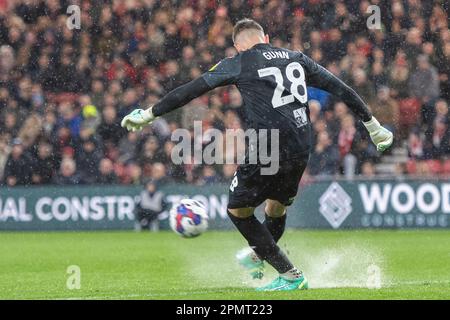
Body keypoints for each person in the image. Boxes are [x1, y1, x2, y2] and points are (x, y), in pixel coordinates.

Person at [121, 19, 393, 291]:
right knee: (276, 207)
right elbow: (341, 89)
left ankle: (290, 274)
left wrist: (148, 114)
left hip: (268, 145)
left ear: (237, 46)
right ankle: (259, 254)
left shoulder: (239, 61)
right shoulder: (296, 58)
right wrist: (374, 126)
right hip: (301, 143)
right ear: (266, 37)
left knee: (238, 211)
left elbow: (190, 91)